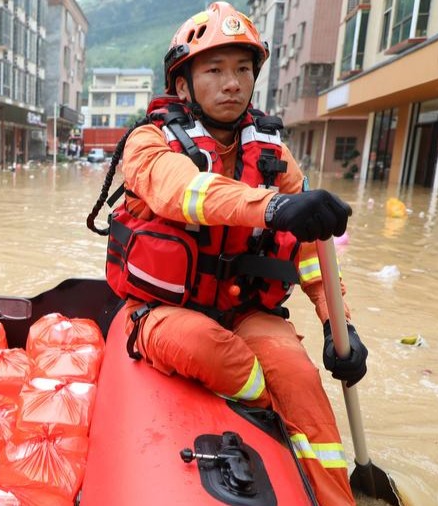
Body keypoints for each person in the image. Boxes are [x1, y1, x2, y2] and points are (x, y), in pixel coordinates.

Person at [91, 3, 368, 505]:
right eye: (214, 70)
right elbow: (184, 193)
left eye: (243, 69)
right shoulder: (148, 143)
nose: (232, 83)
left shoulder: (274, 156)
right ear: (182, 84)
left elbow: (311, 255)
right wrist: (274, 205)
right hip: (163, 312)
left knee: (302, 377)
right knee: (211, 349)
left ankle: (335, 496)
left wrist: (338, 327)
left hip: (248, 310)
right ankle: (266, 408)